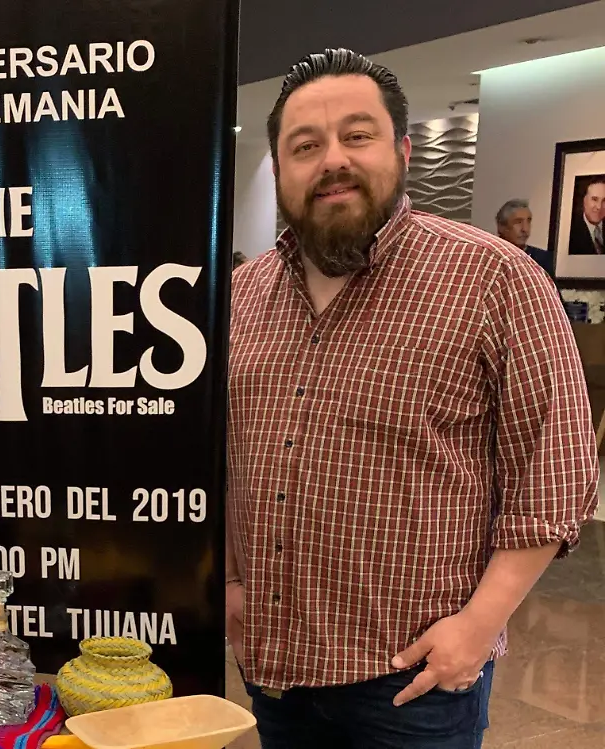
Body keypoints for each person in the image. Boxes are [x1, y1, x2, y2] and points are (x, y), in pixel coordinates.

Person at [226, 49, 598, 749]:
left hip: (413, 679)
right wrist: (232, 583)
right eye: (305, 145)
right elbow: (228, 460)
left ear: (400, 151)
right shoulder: (241, 297)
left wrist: (477, 627)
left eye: (357, 135)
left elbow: (555, 475)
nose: (333, 160)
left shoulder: (494, 278)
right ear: (279, 168)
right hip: (276, 671)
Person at [495, 198, 554, 278]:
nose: (525, 229)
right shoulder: (491, 256)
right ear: (501, 227)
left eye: (528, 221)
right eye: (518, 222)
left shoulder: (543, 259)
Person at [567, 176, 605, 255]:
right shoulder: (569, 232)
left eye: (604, 201)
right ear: (584, 200)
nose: (599, 206)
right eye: (594, 199)